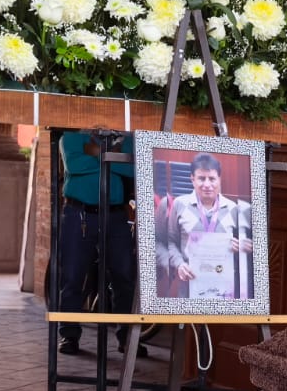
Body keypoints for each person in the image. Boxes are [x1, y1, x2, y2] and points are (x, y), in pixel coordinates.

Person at [56, 130, 137, 357]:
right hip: (79, 213)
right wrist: (112, 156)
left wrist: (94, 154)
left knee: (124, 277)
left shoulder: (127, 137)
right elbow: (74, 166)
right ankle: (69, 334)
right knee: (72, 276)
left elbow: (133, 168)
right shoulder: (71, 135)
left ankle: (127, 338)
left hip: (116, 215)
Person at [159, 153, 254, 300]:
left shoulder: (233, 209)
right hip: (189, 288)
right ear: (192, 179)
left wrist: (241, 248)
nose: (207, 184)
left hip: (223, 290)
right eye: (201, 178)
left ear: (219, 179)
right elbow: (170, 242)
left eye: (212, 178)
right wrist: (179, 264)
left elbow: (245, 253)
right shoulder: (180, 205)